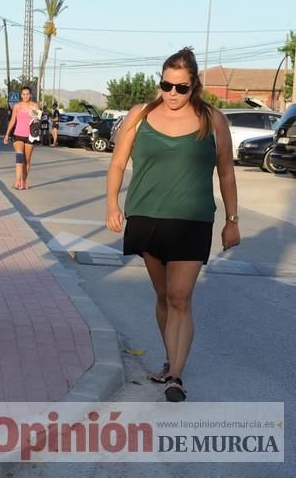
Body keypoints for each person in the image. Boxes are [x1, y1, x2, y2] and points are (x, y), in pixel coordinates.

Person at [105, 47, 240, 402]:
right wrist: (111, 204)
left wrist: (231, 221)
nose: (173, 94)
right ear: (160, 82)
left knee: (181, 298)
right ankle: (169, 359)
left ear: (194, 85)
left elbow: (226, 171)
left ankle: (176, 376)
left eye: (181, 87)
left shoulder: (213, 120)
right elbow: (118, 162)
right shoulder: (140, 115)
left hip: (192, 220)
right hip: (146, 218)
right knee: (163, 296)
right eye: (167, 85)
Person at [3, 86, 41, 189]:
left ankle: (24, 181)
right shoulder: (17, 106)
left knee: (27, 160)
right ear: (21, 95)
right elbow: (12, 121)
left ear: (31, 95)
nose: (25, 96)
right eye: (23, 94)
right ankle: (17, 182)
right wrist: (7, 134)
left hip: (30, 136)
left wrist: (35, 115)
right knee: (19, 159)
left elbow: (37, 123)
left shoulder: (34, 106)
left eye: (27, 94)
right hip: (18, 135)